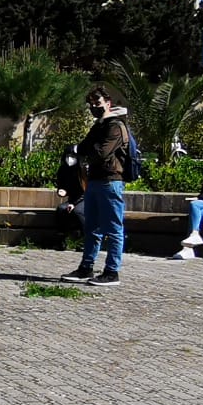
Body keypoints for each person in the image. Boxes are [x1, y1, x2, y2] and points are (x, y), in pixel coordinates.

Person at [62, 87, 131, 287]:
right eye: (91, 104)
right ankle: (86, 267)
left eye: (98, 103)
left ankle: (112, 272)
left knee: (114, 229)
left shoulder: (115, 126)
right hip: (94, 181)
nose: (94, 107)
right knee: (92, 227)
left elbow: (100, 153)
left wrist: (86, 149)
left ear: (108, 103)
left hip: (111, 182)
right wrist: (86, 149)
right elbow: (82, 148)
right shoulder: (98, 126)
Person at [54, 142, 85, 229]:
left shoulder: (82, 170)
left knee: (78, 211)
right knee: (61, 209)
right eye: (68, 156)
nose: (70, 159)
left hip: (85, 199)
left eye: (73, 156)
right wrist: (61, 190)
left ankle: (86, 235)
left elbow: (86, 191)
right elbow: (62, 185)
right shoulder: (63, 170)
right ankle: (62, 234)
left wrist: (74, 204)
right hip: (73, 199)